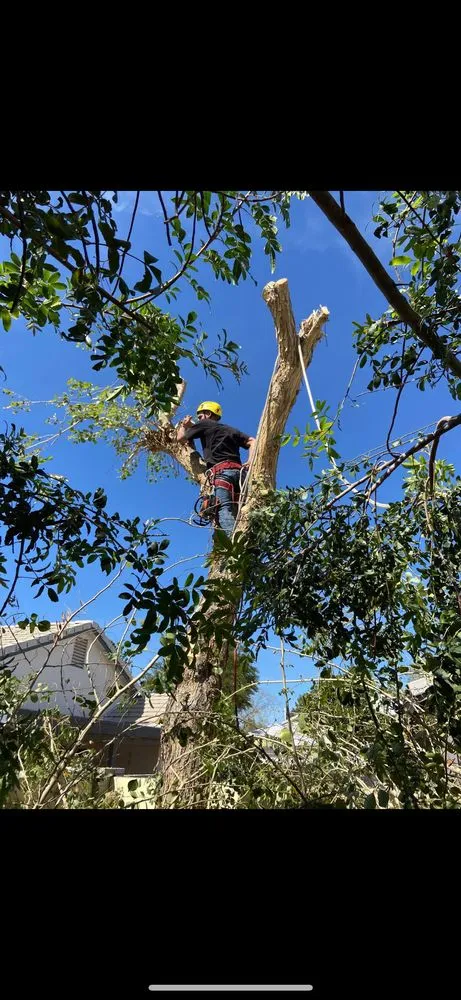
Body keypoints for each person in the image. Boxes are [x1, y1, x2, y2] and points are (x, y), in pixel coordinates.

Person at [177, 401, 256, 535]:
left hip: (222, 474)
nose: (199, 420)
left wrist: (184, 426)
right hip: (241, 475)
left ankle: (235, 546)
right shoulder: (230, 429)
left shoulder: (204, 425)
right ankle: (250, 542)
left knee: (223, 508)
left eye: (201, 416)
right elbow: (252, 441)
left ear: (208, 414)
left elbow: (180, 438)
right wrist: (250, 461)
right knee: (244, 510)